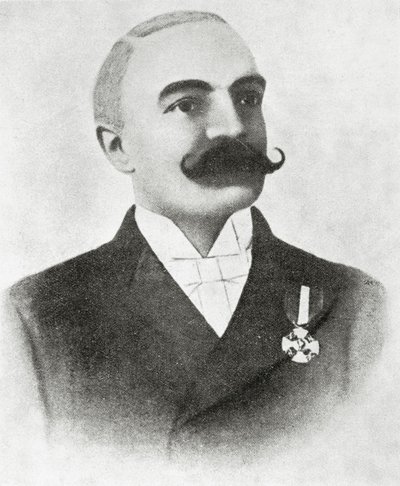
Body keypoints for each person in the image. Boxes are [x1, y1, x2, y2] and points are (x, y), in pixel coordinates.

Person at [7, 10, 385, 463]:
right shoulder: (38, 315)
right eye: (187, 104)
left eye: (247, 98)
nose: (233, 127)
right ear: (118, 148)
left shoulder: (354, 302)